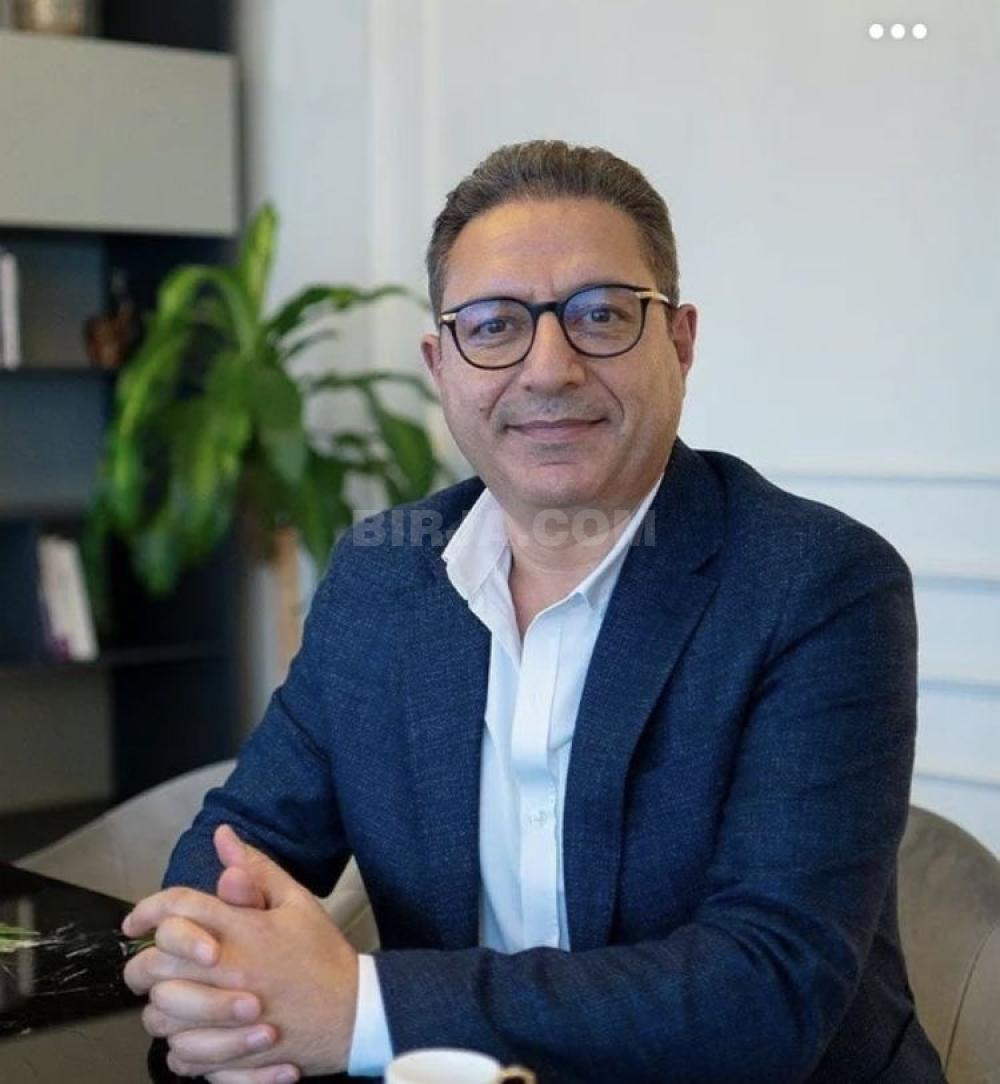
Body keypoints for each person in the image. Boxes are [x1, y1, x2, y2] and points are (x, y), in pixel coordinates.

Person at [122, 141, 946, 1084]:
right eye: (494, 326)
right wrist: (219, 973)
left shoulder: (817, 583)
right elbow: (244, 835)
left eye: (601, 314)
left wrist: (361, 1010)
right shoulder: (382, 578)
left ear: (680, 343)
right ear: (441, 364)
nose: (548, 368)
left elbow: (768, 992)